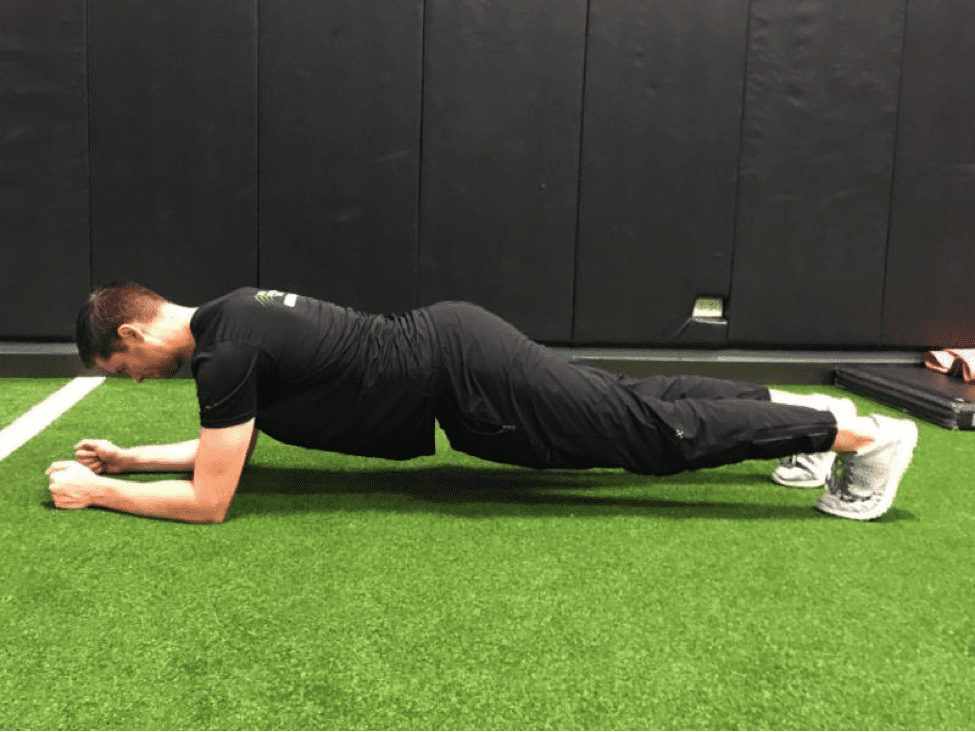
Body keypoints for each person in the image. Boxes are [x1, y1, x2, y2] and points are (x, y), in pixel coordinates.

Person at [46, 282, 919, 523]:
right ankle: (794, 415)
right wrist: (129, 458)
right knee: (633, 399)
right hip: (459, 356)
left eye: (121, 371)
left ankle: (859, 437)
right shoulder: (235, 313)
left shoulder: (225, 356)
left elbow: (212, 499)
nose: (132, 382)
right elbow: (220, 449)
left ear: (130, 337)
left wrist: (99, 493)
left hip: (466, 376)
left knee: (645, 434)